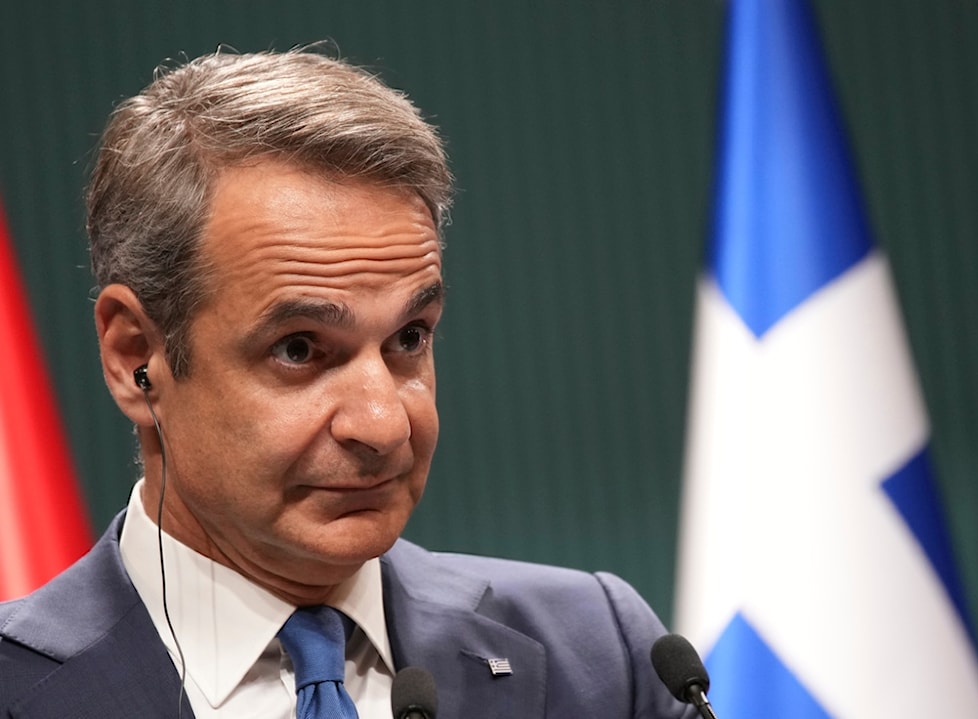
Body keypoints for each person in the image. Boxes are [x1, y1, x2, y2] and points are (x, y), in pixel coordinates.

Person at [0, 49, 696, 718]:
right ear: (134, 357)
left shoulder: (600, 655)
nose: (384, 424)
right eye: (299, 349)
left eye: (409, 338)